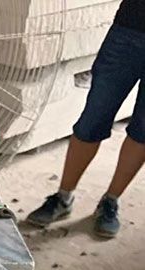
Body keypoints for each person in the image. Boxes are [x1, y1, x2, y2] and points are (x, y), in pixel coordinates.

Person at [27, 0, 145, 238]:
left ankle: (110, 201)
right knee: (93, 119)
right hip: (129, 30)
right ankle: (63, 197)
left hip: (128, 33)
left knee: (143, 131)